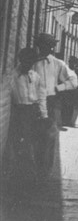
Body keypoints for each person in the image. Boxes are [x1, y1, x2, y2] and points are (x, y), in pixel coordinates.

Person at [32, 33, 78, 172]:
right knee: (33, 136)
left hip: (50, 102)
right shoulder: (32, 62)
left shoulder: (58, 64)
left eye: (49, 45)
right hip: (32, 103)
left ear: (52, 47)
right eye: (42, 45)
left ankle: (45, 169)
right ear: (38, 46)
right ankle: (34, 169)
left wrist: (59, 88)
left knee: (49, 137)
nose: (46, 48)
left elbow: (73, 81)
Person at [9, 48, 49, 180]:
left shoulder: (35, 76)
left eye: (31, 62)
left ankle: (31, 173)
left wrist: (44, 115)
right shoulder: (13, 76)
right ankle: (23, 173)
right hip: (19, 112)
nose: (29, 65)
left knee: (33, 143)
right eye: (27, 62)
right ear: (21, 61)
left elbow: (41, 96)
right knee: (20, 143)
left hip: (32, 112)